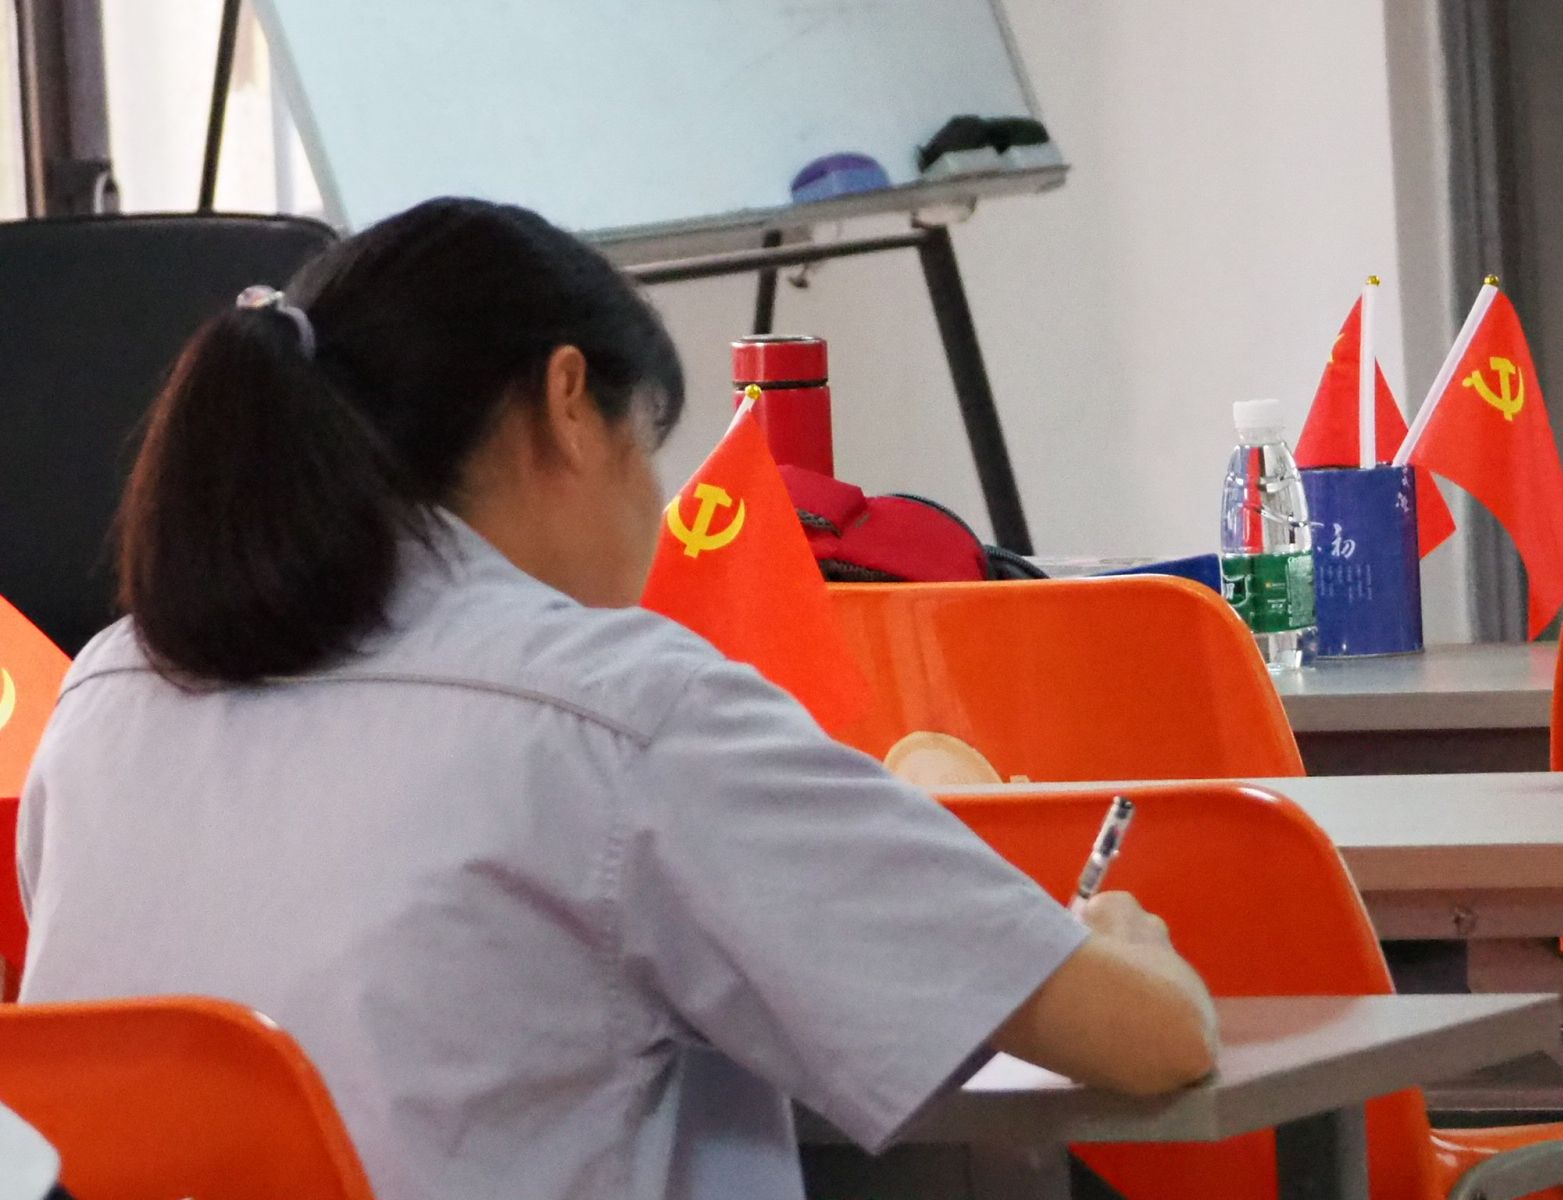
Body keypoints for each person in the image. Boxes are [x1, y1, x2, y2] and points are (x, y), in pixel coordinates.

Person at [17, 197, 1216, 1200]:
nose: (656, 509)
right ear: (566, 404)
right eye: (648, 447)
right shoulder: (617, 711)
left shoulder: (108, 696)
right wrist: (1119, 938)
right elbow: (1146, 1042)